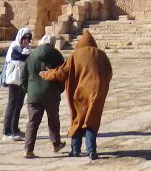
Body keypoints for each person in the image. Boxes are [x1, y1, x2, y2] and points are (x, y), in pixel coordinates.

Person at [39, 29, 113, 161]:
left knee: (78, 119)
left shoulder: (75, 55)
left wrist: (47, 74)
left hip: (80, 92)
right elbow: (109, 72)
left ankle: (75, 150)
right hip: (98, 91)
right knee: (92, 119)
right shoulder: (101, 55)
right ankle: (91, 151)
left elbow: (62, 72)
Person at [22, 34, 66, 159]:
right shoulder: (56, 55)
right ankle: (56, 143)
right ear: (52, 43)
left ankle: (28, 149)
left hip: (34, 94)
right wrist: (60, 89)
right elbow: (62, 74)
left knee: (32, 122)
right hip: (51, 93)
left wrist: (28, 90)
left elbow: (24, 76)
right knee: (53, 120)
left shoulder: (32, 55)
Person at [1, 27, 32, 140]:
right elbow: (20, 57)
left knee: (19, 104)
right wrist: (27, 51)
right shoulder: (14, 47)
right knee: (12, 104)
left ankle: (15, 129)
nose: (27, 41)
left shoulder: (26, 48)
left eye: (29, 38)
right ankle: (6, 131)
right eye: (25, 38)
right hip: (14, 79)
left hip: (22, 80)